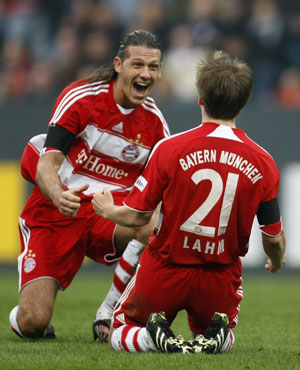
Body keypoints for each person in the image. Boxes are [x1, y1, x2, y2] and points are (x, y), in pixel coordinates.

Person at [92, 50, 286, 354]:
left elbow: (138, 217)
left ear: (201, 99)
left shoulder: (170, 149)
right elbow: (272, 235)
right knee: (224, 334)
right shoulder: (264, 162)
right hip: (220, 277)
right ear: (243, 102)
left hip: (166, 268)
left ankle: (148, 338)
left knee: (121, 331)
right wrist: (275, 260)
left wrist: (106, 209)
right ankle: (215, 337)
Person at [9, 29, 170, 340]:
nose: (145, 74)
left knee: (157, 224)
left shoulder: (156, 126)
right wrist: (58, 195)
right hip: (58, 209)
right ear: (119, 64)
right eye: (138, 65)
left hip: (103, 214)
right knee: (32, 322)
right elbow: (47, 162)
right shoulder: (82, 97)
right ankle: (31, 316)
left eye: (153, 67)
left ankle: (108, 312)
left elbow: (158, 196)